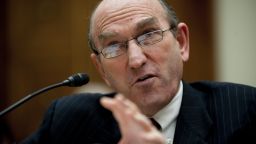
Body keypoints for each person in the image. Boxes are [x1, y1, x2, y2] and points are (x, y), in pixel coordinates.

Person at [21, 0, 256, 144]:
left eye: (149, 35)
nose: (135, 60)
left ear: (181, 42)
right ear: (101, 69)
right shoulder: (69, 120)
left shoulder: (244, 111)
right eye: (113, 46)